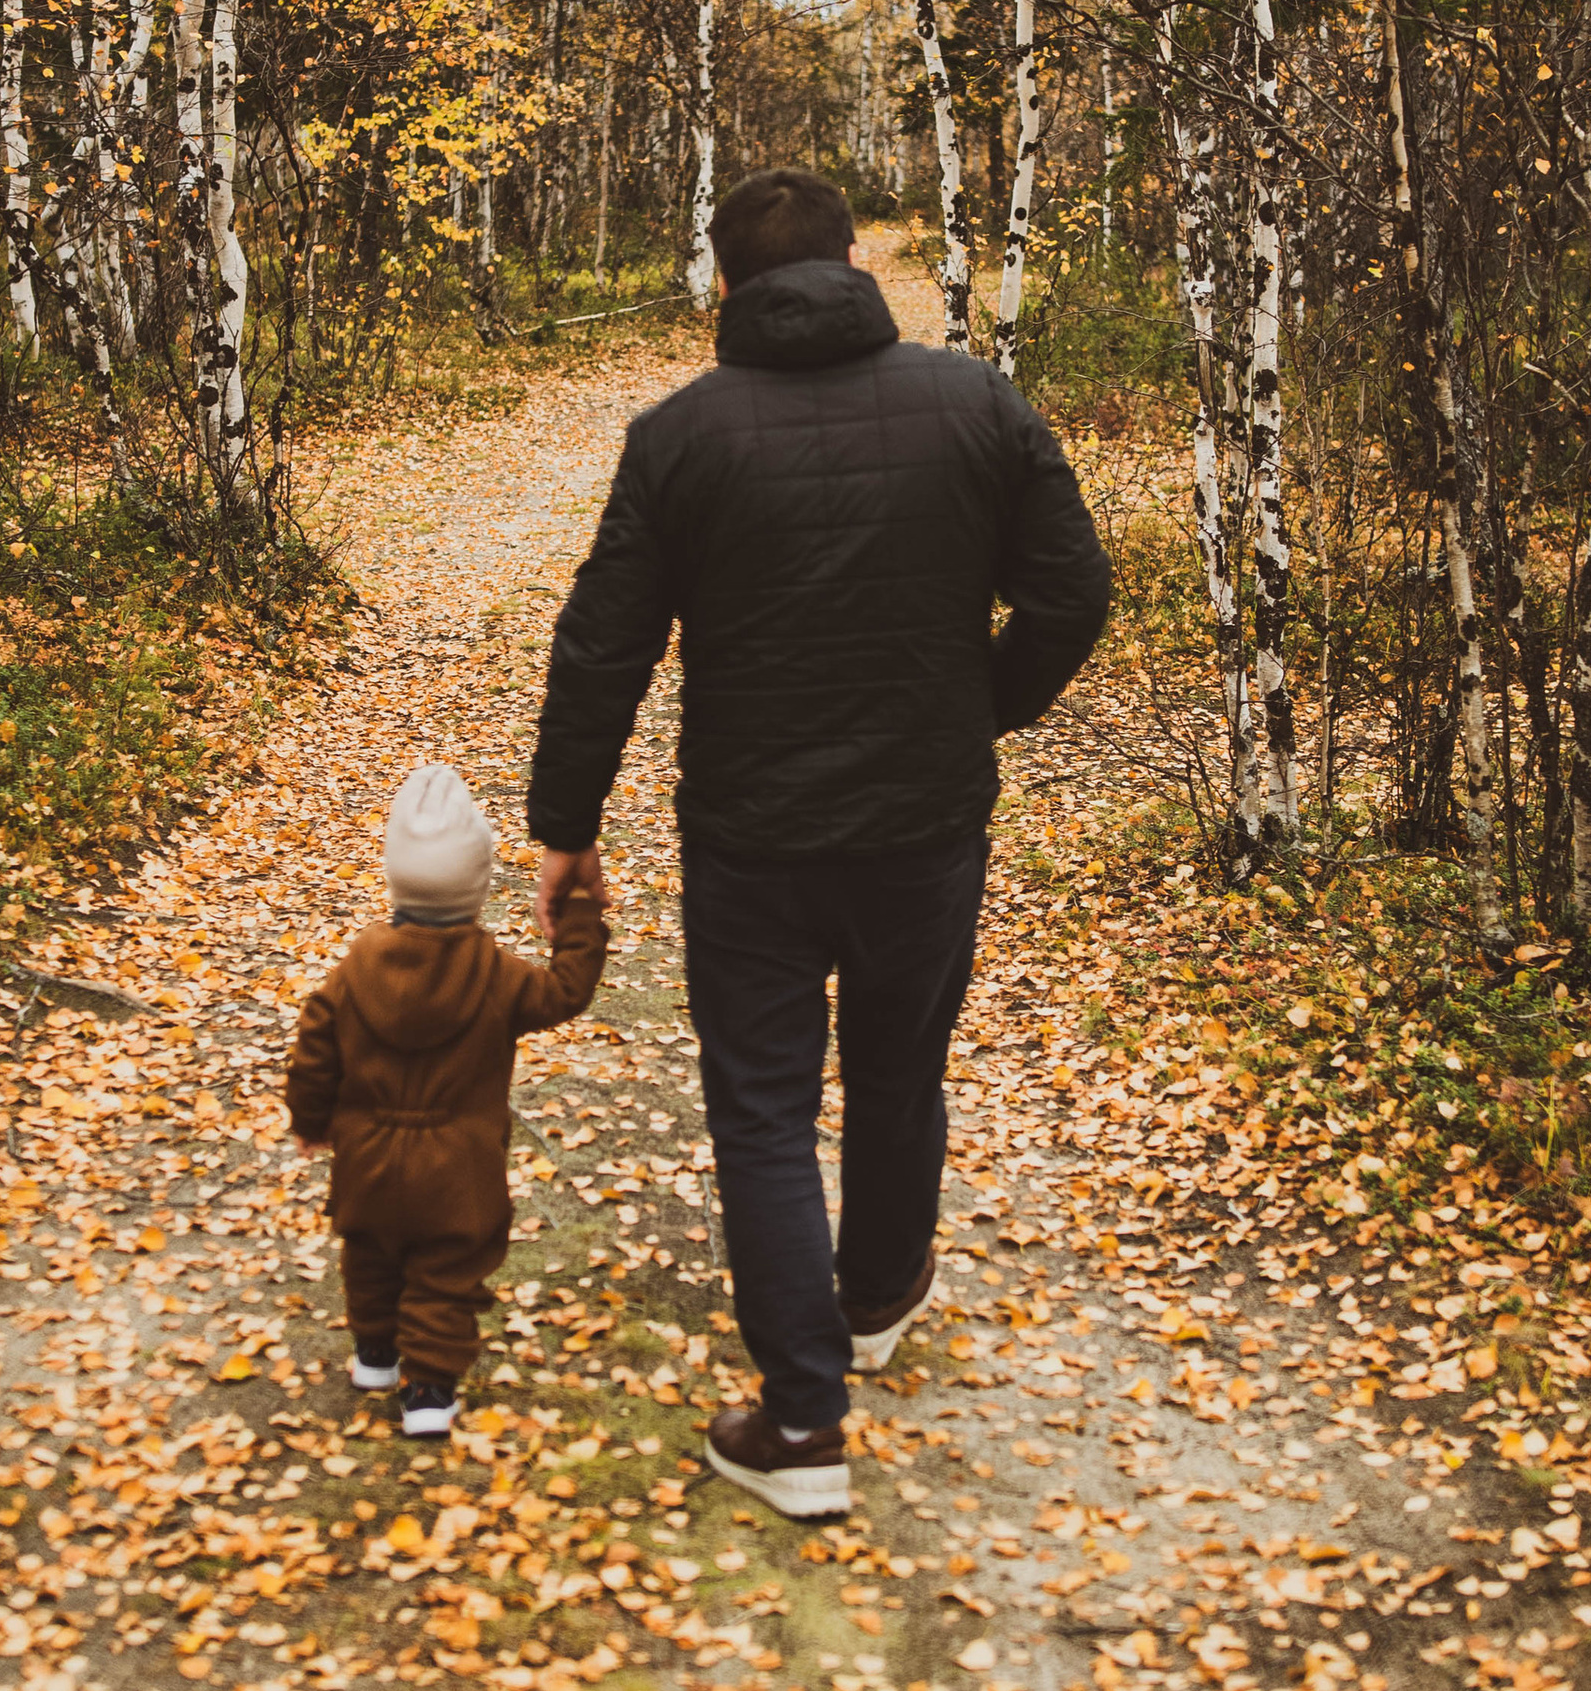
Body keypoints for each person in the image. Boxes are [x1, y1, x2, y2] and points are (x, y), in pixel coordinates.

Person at [525, 168, 1111, 1519]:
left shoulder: (681, 433)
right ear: (854, 259)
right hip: (925, 829)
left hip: (755, 840)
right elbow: (1076, 590)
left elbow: (602, 642)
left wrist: (566, 828)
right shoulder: (976, 403)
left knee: (765, 1112)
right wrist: (985, 707)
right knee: (900, 1069)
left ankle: (802, 1421)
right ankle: (877, 1293)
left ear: (724, 285)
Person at [287, 759, 607, 1438]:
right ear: (478, 888)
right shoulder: (496, 974)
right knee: (444, 1268)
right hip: (459, 1165)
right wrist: (579, 914)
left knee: (370, 1252)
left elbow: (315, 1045)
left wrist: (310, 1121)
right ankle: (428, 1389)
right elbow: (565, 993)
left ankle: (375, 1354)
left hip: (367, 1157)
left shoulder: (354, 968)